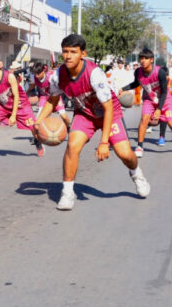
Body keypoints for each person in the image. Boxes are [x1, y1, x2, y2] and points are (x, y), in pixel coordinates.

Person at [33, 33, 150, 210]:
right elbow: (53, 100)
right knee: (72, 145)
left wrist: (104, 142)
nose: (68, 56)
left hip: (108, 115)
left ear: (82, 53)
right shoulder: (58, 75)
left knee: (125, 154)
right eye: (65, 52)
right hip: (85, 115)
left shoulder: (94, 73)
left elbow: (108, 108)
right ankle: (67, 192)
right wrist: (38, 121)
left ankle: (137, 174)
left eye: (73, 51)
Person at [123, 48, 172, 156]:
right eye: (141, 58)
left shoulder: (160, 72)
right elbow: (135, 83)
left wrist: (159, 109)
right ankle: (139, 146)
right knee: (144, 120)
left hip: (164, 101)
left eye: (146, 58)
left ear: (151, 60)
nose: (143, 61)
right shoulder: (138, 72)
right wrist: (123, 89)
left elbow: (165, 92)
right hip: (149, 100)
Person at [0, 54, 42, 161]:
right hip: (4, 106)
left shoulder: (9, 77)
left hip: (20, 105)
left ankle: (37, 142)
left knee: (33, 127)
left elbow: (17, 95)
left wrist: (13, 116)